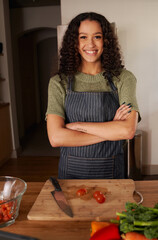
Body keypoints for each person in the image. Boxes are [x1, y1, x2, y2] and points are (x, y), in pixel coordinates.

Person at [46, 12, 140, 179]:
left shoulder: (124, 78)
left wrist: (78, 126)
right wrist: (111, 128)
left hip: (112, 171)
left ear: (106, 41)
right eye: (83, 37)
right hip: (71, 175)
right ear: (74, 42)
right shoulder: (58, 82)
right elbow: (55, 137)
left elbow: (127, 130)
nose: (90, 44)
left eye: (97, 36)